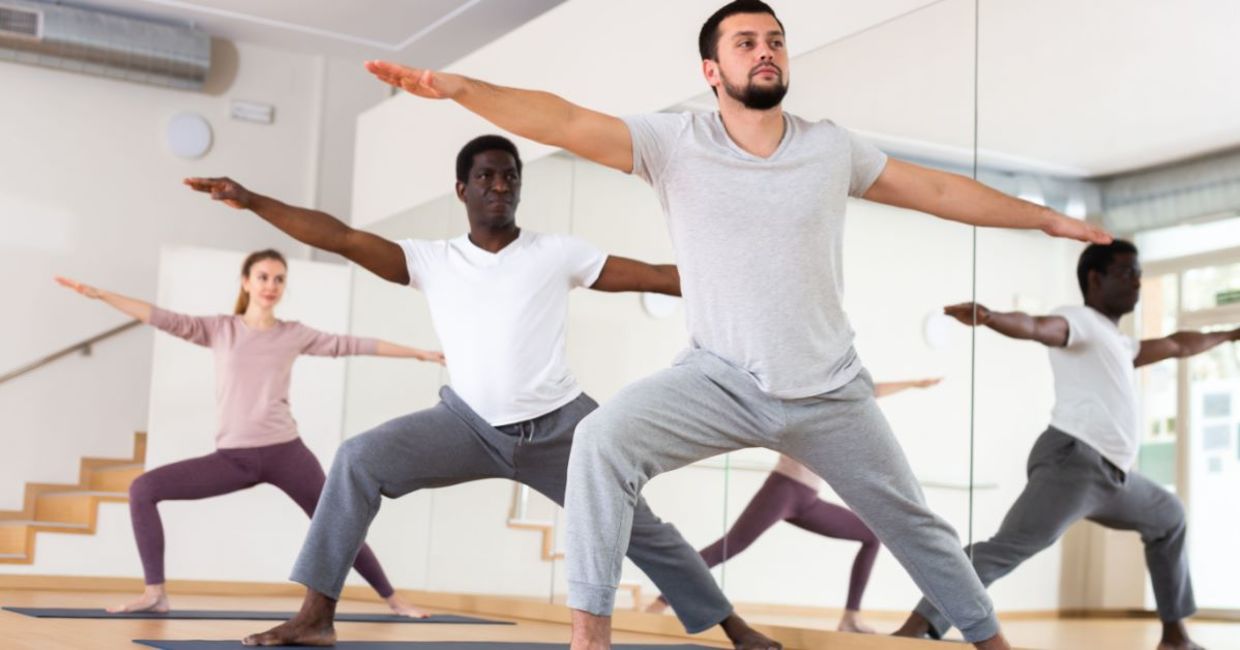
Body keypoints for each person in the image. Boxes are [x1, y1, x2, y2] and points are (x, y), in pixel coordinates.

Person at [361, 1, 1112, 647]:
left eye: (775, 40)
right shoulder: (673, 144)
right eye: (746, 42)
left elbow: (939, 191)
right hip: (715, 379)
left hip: (828, 388)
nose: (765, 51)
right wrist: (463, 90)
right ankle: (590, 635)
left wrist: (1045, 219)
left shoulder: (831, 148)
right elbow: (562, 118)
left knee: (916, 525)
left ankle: (990, 639)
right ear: (712, 70)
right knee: (600, 441)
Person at [185, 135, 779, 650]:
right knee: (357, 459)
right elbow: (339, 237)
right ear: (462, 189)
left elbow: (655, 276)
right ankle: (315, 617)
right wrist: (253, 200)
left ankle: (733, 628)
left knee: (639, 528)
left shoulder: (557, 253)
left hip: (562, 430)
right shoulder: (432, 260)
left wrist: (745, 281)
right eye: (486, 176)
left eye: (510, 177)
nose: (500, 186)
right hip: (465, 425)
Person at [54, 250, 442, 616]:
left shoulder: (293, 333)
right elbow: (163, 318)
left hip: (286, 454)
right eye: (263, 277)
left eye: (278, 279)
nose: (270, 285)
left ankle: (393, 599)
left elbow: (351, 344)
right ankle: (155, 594)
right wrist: (102, 295)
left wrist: (420, 353)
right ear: (246, 282)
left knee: (337, 521)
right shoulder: (220, 329)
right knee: (143, 489)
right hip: (233, 457)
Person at [896, 240, 1221, 650]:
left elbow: (1178, 345)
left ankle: (1175, 637)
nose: (1137, 282)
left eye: (1139, 274)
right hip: (1075, 463)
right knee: (1007, 548)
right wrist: (991, 318)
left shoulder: (1120, 343)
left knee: (1169, 515)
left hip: (1114, 477)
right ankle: (920, 625)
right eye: (1127, 273)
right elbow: (1037, 327)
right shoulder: (1079, 320)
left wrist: (1230, 333)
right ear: (1095, 279)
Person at [647, 379, 942, 634]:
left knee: (870, 535)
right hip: (783, 490)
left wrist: (913, 383)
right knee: (730, 546)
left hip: (808, 500)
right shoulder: (801, 401)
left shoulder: (839, 406)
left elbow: (870, 391)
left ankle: (851, 617)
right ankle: (661, 602)